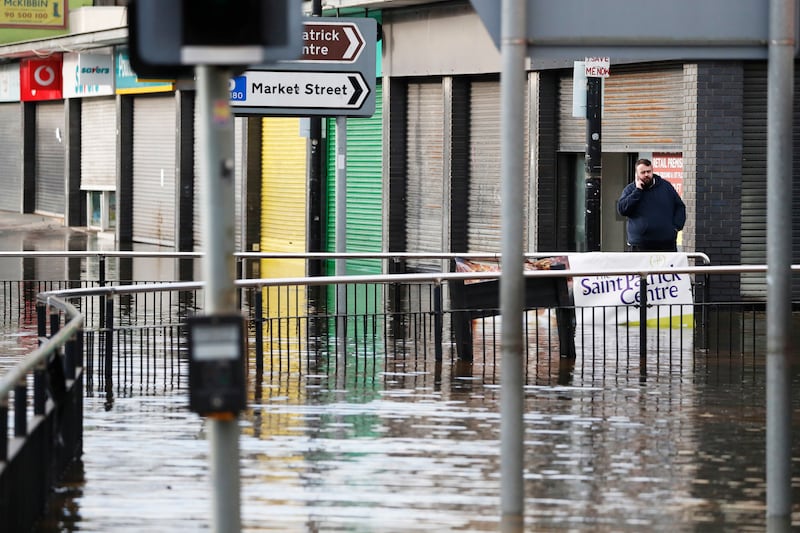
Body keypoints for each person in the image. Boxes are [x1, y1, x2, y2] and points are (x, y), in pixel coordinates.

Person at [617, 158, 686, 252]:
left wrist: (676, 227)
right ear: (637, 174)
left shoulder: (665, 187)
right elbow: (622, 210)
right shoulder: (630, 190)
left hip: (666, 243)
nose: (646, 175)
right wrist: (637, 191)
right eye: (643, 172)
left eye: (648, 171)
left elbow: (680, 206)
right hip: (640, 244)